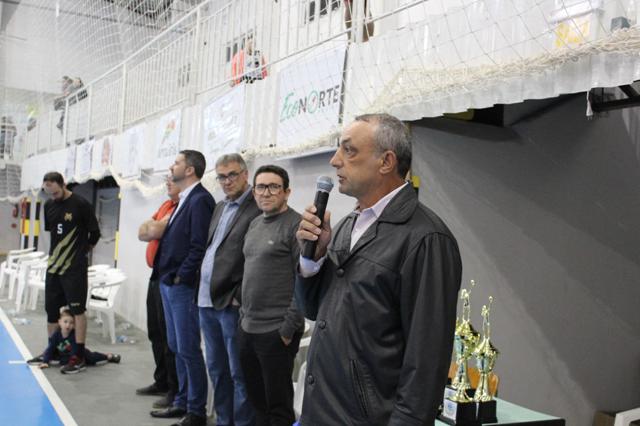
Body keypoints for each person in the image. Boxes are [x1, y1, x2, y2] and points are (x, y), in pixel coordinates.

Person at [295, 113, 462, 425]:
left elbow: (426, 359)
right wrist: (311, 260)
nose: (335, 161)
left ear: (386, 161)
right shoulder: (348, 226)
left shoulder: (426, 239)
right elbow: (317, 311)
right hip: (324, 410)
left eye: (349, 150)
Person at [150, 150, 215, 426]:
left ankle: (196, 410)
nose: (171, 166)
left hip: (182, 287)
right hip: (169, 283)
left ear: (189, 170)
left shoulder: (200, 200)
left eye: (176, 162)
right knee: (176, 345)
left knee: (188, 348)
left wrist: (181, 277)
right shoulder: (184, 200)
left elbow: (199, 245)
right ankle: (181, 400)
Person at [237, 165, 305, 426]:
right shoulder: (255, 223)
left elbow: (304, 280)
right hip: (248, 327)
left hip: (276, 332)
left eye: (273, 186)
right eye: (260, 187)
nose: (266, 192)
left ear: (286, 192)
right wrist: (242, 315)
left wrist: (288, 327)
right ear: (254, 192)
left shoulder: (296, 226)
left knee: (278, 407)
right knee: (257, 401)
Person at [197, 153, 260, 426]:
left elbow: (254, 260)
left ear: (246, 174)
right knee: (217, 370)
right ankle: (224, 421)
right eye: (221, 176)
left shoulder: (257, 207)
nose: (226, 181)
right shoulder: (220, 207)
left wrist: (237, 297)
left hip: (230, 305)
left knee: (239, 374)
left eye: (232, 175)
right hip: (206, 302)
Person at [41, 171, 101, 374]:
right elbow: (55, 234)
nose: (53, 197)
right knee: (51, 311)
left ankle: (79, 355)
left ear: (63, 185)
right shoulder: (48, 205)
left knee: (77, 311)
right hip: (54, 267)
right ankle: (54, 351)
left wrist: (81, 252)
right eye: (49, 193)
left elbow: (95, 233)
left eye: (56, 192)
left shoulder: (81, 205)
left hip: (74, 269)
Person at [136, 176, 180, 408]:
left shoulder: (182, 208)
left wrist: (155, 227)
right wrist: (154, 226)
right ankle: (161, 380)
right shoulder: (165, 205)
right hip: (156, 275)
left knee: (168, 337)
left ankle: (175, 388)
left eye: (172, 180)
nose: (167, 184)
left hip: (169, 277)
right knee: (155, 331)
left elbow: (152, 228)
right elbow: (144, 231)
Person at [29, 306, 121, 371]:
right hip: (64, 354)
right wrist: (46, 361)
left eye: (71, 323)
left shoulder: (74, 336)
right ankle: (43, 358)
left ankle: (109, 356)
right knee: (54, 354)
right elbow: (51, 348)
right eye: (65, 322)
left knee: (93, 357)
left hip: (81, 354)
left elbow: (74, 353)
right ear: (59, 322)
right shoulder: (56, 335)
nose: (68, 325)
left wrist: (70, 363)